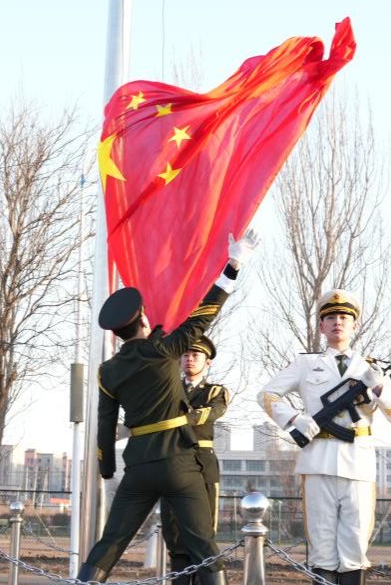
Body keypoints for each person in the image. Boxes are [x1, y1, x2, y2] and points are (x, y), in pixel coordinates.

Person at [76, 230, 260, 585]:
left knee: (111, 542)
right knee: (203, 545)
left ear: (117, 333)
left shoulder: (107, 371)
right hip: (179, 463)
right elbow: (206, 313)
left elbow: (105, 424)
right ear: (144, 321)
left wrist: (106, 468)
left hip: (138, 468)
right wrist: (235, 263)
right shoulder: (164, 350)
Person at [257, 290, 391, 585]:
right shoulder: (305, 364)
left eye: (344, 317)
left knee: (355, 543)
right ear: (321, 326)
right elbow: (266, 395)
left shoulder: (370, 368)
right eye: (331, 318)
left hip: (358, 461)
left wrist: (378, 388)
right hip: (318, 459)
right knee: (322, 545)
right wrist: (296, 419)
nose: (338, 322)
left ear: (354, 325)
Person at [161, 335, 230, 585]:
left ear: (207, 362)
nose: (189, 359)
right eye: (186, 355)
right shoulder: (167, 389)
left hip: (201, 464)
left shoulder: (216, 391)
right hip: (172, 462)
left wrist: (174, 419)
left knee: (203, 531)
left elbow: (208, 414)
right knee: (174, 529)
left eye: (196, 355)